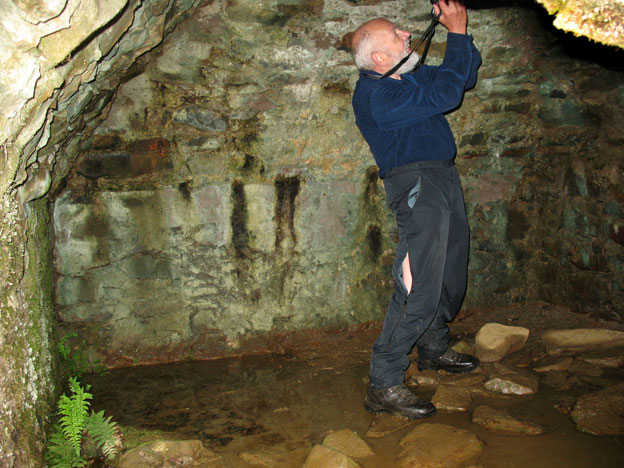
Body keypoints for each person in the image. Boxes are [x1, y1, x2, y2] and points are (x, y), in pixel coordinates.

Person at [351, 0, 481, 420]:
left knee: (450, 273)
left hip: (442, 177)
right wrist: (456, 32)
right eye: (397, 33)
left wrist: (461, 37)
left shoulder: (407, 75)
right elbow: (446, 94)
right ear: (378, 57)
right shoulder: (375, 94)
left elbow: (462, 77)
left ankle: (433, 346)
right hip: (416, 185)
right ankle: (384, 382)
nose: (407, 33)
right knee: (416, 284)